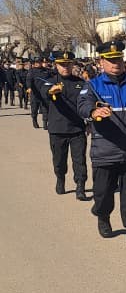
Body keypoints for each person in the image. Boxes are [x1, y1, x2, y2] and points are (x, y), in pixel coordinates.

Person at [77, 40, 126, 249]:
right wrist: (94, 111)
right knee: (103, 193)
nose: (115, 64)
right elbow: (82, 106)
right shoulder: (93, 86)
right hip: (105, 151)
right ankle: (102, 215)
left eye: (118, 59)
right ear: (101, 62)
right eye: (111, 60)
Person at [33, 50, 88, 199]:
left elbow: (86, 103)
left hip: (77, 129)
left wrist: (89, 122)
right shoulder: (50, 81)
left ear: (72, 65)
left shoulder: (80, 83)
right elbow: (44, 91)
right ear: (56, 65)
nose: (65, 67)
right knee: (59, 161)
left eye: (68, 64)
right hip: (57, 129)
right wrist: (52, 91)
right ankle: (60, 178)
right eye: (62, 65)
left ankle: (80, 186)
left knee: (79, 160)